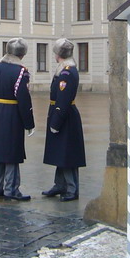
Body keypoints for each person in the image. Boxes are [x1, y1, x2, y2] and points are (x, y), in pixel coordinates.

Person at [0, 38, 35, 201]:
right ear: (22, 53)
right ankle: (11, 189)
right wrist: (29, 122)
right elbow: (23, 99)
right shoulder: (20, 72)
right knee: (12, 152)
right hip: (12, 112)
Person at [42, 39, 86, 201]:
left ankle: (71, 189)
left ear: (58, 54)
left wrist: (56, 121)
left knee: (67, 154)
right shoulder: (64, 69)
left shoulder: (66, 72)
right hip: (60, 112)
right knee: (60, 152)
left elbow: (63, 99)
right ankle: (60, 184)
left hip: (65, 115)